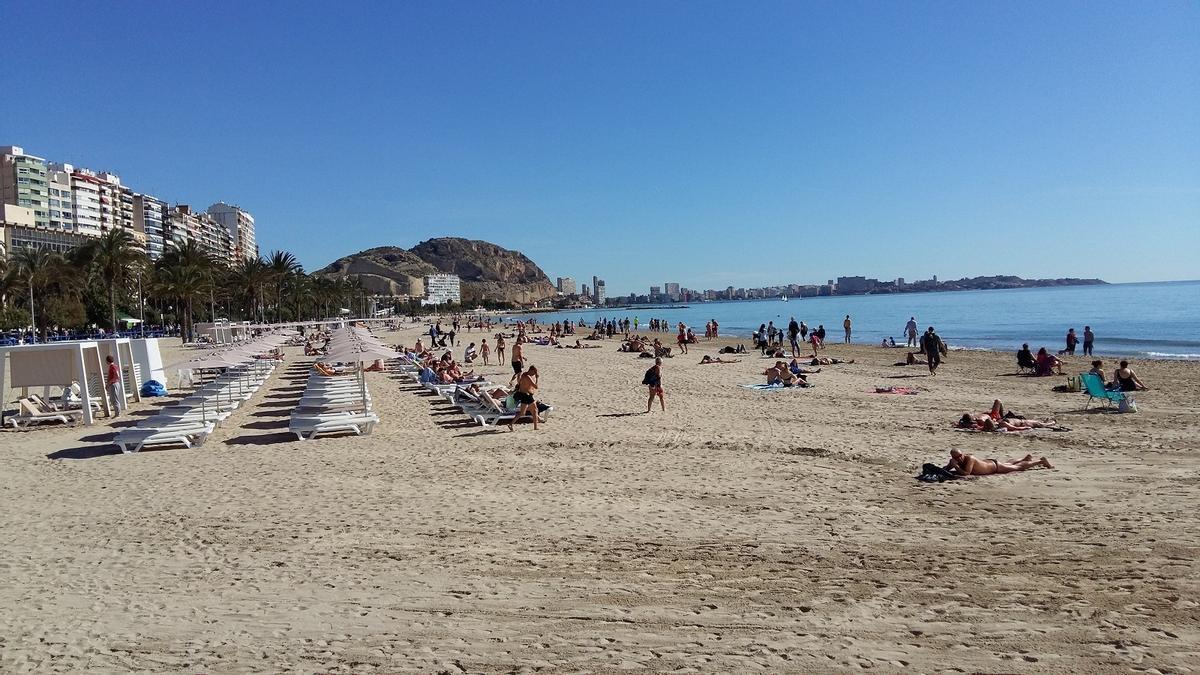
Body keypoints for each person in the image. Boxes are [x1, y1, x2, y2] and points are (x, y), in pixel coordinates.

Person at [944, 449, 1053, 476]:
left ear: (963, 454)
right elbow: (945, 469)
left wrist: (955, 467)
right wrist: (949, 465)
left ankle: (1040, 461)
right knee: (1009, 464)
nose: (959, 459)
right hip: (991, 463)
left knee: (1018, 468)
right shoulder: (955, 460)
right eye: (956, 457)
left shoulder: (969, 459)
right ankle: (1025, 458)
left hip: (994, 467)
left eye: (960, 456)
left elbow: (966, 473)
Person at [510, 365, 543, 430]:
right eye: (534, 373)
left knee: (522, 413)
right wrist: (537, 379)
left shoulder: (524, 374)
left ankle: (511, 424)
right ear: (531, 370)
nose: (534, 375)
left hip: (523, 395)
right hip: (527, 396)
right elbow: (536, 386)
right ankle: (535, 427)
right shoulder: (528, 377)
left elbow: (520, 383)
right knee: (535, 410)